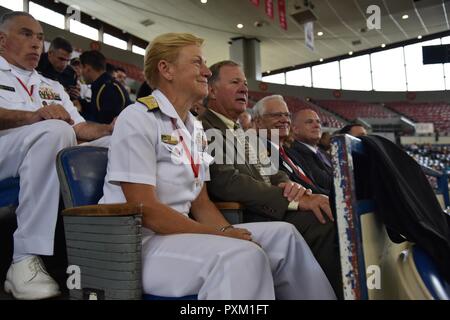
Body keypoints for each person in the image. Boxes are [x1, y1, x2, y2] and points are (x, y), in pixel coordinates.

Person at [99, 33, 336, 300]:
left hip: (181, 234)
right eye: (197, 63)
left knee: (285, 237)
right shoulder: (138, 118)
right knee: (243, 256)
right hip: (138, 245)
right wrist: (220, 235)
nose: (205, 71)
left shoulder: (194, 128)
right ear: (166, 69)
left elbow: (201, 204)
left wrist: (226, 231)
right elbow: (145, 210)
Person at [199, 61, 341, 298]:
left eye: (245, 84)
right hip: (245, 214)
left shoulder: (242, 133)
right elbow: (226, 182)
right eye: (235, 83)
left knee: (327, 210)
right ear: (212, 91)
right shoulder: (205, 128)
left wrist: (291, 186)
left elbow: (275, 173)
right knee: (323, 221)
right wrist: (293, 201)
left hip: (268, 208)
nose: (244, 89)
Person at [0, 11, 114, 300]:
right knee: (53, 131)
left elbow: (79, 127)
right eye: (26, 34)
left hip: (44, 146)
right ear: (2, 39)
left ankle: (113, 238)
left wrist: (113, 128)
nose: (37, 43)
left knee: (117, 144)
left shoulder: (51, 85)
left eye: (40, 37)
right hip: (5, 150)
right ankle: (24, 258)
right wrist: (33, 116)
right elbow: (53, 127)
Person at [254, 95, 330, 196]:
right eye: (277, 115)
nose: (284, 119)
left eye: (287, 115)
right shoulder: (255, 149)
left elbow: (314, 186)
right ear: (258, 122)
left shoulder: (292, 153)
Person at [289, 109, 333, 195]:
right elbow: (326, 183)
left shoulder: (321, 152)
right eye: (309, 122)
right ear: (295, 129)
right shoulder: (296, 152)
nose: (317, 125)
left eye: (318, 122)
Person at [79, 50, 131, 124]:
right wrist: (79, 102)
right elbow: (96, 110)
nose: (81, 72)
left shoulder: (110, 89)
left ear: (87, 68)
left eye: (81, 68)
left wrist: (77, 114)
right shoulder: (102, 85)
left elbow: (105, 125)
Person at [36, 37, 79, 101]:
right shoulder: (35, 63)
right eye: (61, 59)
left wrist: (73, 96)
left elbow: (71, 101)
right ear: (50, 53)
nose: (64, 64)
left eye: (68, 60)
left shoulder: (71, 73)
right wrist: (59, 94)